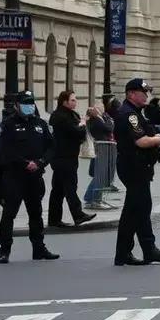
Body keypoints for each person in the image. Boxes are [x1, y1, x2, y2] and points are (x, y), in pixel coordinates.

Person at [113, 79, 160, 266]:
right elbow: (141, 141)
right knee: (141, 208)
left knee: (133, 211)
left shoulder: (135, 113)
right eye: (143, 92)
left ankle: (124, 254)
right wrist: (159, 139)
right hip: (134, 167)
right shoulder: (129, 114)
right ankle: (149, 249)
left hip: (137, 166)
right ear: (131, 94)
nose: (146, 95)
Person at [0, 91, 59, 263]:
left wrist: (40, 162)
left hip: (34, 176)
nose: (29, 106)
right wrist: (25, 163)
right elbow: (5, 150)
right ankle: (5, 250)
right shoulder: (8, 124)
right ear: (17, 105)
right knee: (9, 214)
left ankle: (39, 248)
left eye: (31, 102)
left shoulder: (40, 123)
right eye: (25, 103)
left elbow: (51, 147)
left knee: (36, 213)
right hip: (15, 176)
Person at [47, 90, 96, 227]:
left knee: (58, 189)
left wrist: (81, 125)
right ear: (65, 101)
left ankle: (54, 219)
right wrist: (82, 124)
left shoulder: (71, 114)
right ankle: (78, 215)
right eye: (73, 100)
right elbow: (77, 132)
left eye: (75, 99)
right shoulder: (59, 116)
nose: (75, 102)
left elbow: (80, 134)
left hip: (70, 155)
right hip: (62, 156)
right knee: (70, 186)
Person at [83, 105, 116, 210]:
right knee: (100, 175)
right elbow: (109, 128)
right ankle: (96, 200)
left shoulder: (96, 120)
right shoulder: (97, 120)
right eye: (99, 108)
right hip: (102, 148)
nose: (102, 109)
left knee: (99, 176)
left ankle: (89, 198)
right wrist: (110, 121)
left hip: (102, 148)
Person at [144, 97, 160, 164]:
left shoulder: (147, 108)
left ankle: (154, 156)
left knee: (153, 143)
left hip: (150, 126)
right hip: (158, 126)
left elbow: (147, 116)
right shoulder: (158, 108)